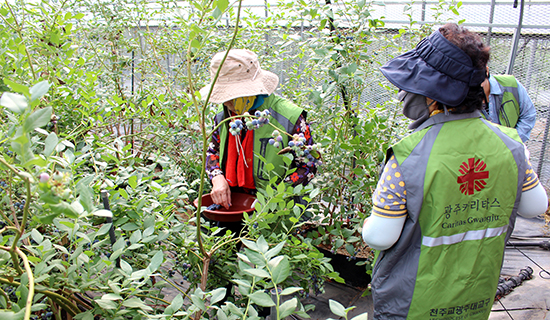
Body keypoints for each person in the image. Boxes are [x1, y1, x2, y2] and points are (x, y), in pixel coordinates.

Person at [362, 23, 548, 320]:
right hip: (475, 295)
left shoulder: (408, 155)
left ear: (432, 94)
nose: (403, 94)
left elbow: (379, 237)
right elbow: (537, 205)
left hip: (412, 302)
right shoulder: (511, 146)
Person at [200, 49, 317, 215]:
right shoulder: (224, 115)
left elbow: (308, 166)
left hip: (279, 212)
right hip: (232, 206)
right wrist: (217, 177)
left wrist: (274, 197)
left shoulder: (289, 118)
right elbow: (213, 150)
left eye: (231, 96)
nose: (226, 103)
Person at [481, 70, 537, 142]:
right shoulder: (463, 94)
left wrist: (513, 143)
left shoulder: (511, 84)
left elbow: (528, 115)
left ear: (486, 70)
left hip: (512, 147)